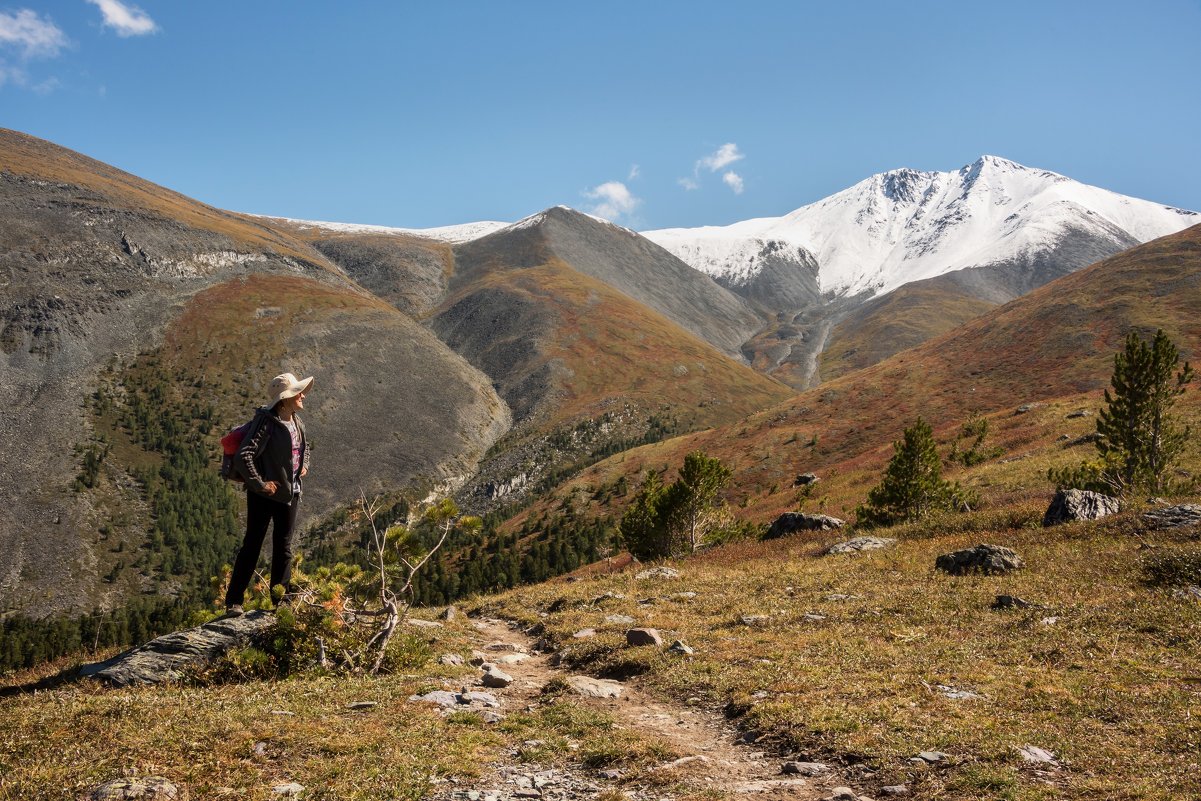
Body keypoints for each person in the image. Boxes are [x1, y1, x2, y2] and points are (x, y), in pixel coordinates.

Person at [224, 372, 313, 616]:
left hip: (290, 493)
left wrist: (304, 464)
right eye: (298, 393)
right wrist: (260, 484)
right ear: (284, 399)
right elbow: (244, 456)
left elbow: (305, 449)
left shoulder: (297, 422)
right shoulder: (267, 423)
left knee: (283, 547)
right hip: (265, 495)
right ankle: (234, 601)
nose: (303, 395)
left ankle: (280, 602)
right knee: (252, 545)